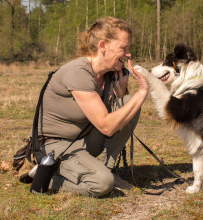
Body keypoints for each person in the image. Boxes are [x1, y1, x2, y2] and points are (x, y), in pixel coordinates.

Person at [37, 17, 149, 197]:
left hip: (83, 139)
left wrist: (120, 89)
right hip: (57, 145)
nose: (128, 53)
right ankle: (46, 176)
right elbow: (107, 126)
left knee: (128, 103)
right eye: (123, 48)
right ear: (103, 46)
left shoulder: (106, 75)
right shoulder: (78, 72)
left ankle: (108, 168)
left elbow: (113, 116)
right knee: (102, 184)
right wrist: (142, 92)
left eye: (128, 48)